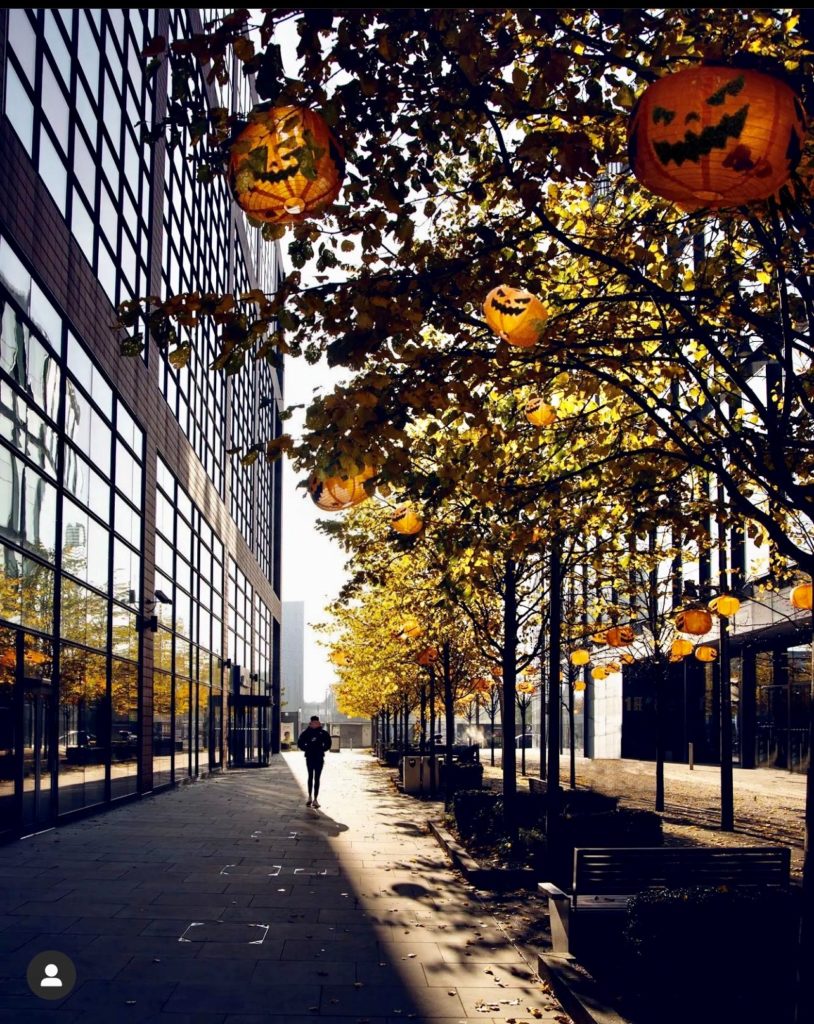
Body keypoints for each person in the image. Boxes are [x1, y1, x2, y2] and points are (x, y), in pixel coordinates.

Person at [297, 715, 332, 808]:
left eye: (317, 722)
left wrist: (322, 749)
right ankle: (309, 797)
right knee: (310, 776)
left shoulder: (323, 733)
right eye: (313, 722)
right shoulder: (306, 732)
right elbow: (300, 743)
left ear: (319, 722)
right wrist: (307, 749)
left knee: (317, 778)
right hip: (309, 757)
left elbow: (328, 743)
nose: (315, 724)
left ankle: (315, 799)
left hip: (319, 757)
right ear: (310, 723)